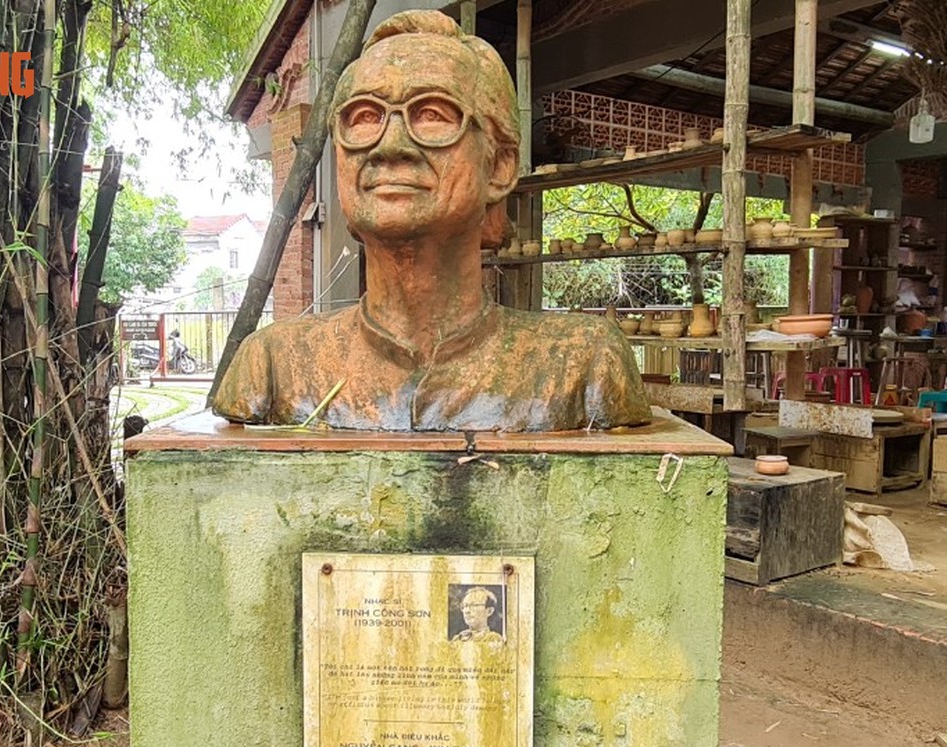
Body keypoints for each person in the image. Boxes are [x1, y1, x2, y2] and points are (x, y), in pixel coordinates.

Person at [210, 10, 651, 433]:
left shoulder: (583, 366)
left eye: (433, 114)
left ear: (498, 166)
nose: (391, 145)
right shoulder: (273, 368)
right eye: (364, 117)